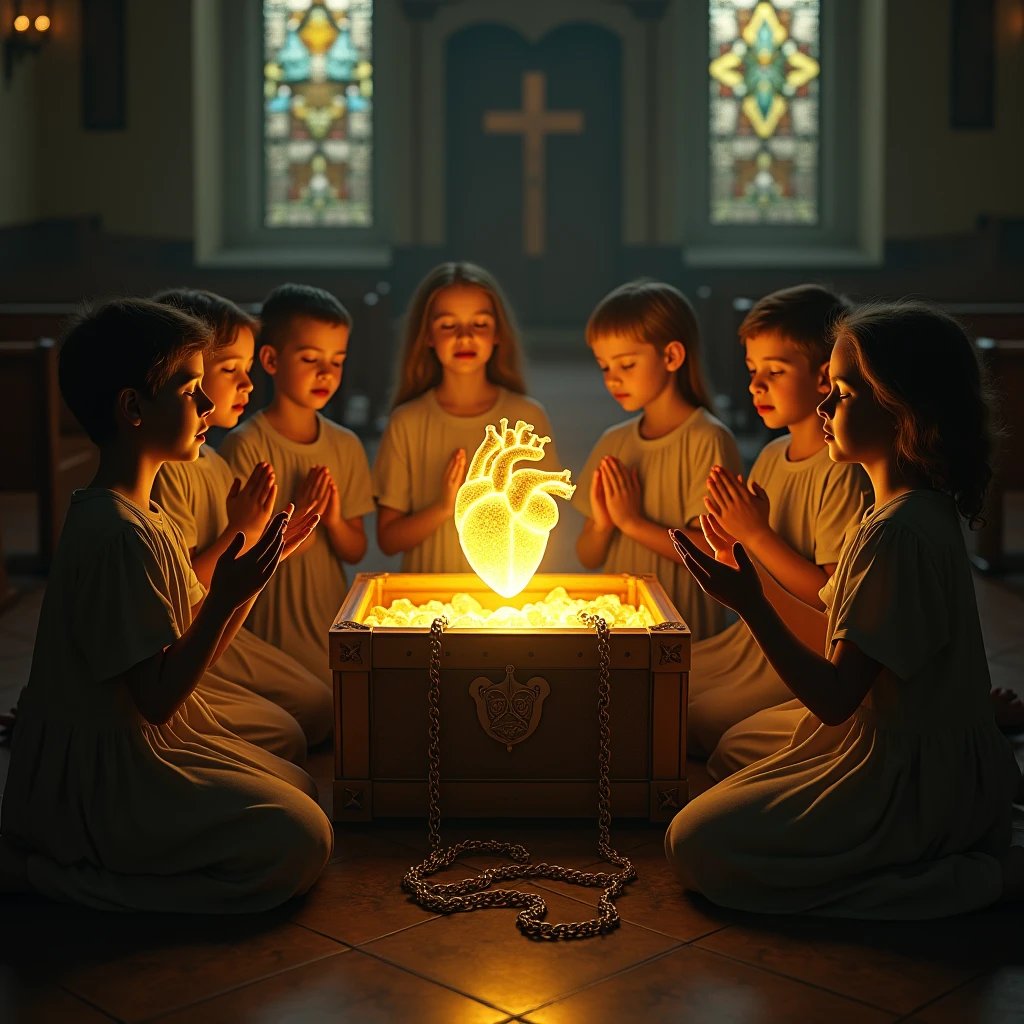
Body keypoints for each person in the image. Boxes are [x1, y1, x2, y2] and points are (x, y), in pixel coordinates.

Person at [665, 300, 1024, 918]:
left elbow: (834, 698)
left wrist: (749, 602)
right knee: (733, 747)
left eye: (844, 393)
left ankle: (972, 878)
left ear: (905, 410)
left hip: (905, 776)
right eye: (828, 389)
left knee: (695, 846)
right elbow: (833, 634)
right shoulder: (900, 511)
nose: (824, 407)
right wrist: (745, 573)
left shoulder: (899, 535)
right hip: (895, 738)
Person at [0, 298, 332, 910]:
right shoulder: (115, 533)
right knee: (300, 841)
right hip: (103, 778)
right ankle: (51, 877)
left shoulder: (143, 515)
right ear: (131, 408)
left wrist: (252, 578)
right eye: (189, 390)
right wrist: (230, 594)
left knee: (302, 785)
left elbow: (184, 646)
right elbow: (156, 700)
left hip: (141, 739)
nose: (208, 406)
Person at [687, 285, 871, 775]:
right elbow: (752, 563)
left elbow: (831, 603)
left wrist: (757, 537)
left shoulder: (841, 471)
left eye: (775, 371)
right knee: (671, 681)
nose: (756, 386)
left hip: (802, 644)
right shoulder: (769, 455)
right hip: (754, 637)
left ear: (823, 379)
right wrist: (727, 544)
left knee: (703, 719)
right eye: (752, 371)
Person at [152, 289, 333, 755]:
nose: (248, 386)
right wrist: (246, 533)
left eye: (247, 370)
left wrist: (271, 538)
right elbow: (182, 590)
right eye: (230, 370)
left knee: (320, 706)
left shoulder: (211, 460)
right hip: (189, 633)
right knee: (297, 728)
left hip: (223, 625)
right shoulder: (171, 468)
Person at [219, 284, 374, 686]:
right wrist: (303, 517)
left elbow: (356, 550)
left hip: (324, 609)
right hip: (269, 618)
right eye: (310, 358)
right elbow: (236, 554)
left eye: (337, 361)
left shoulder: (345, 445)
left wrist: (334, 519)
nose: (326, 373)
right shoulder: (246, 444)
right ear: (270, 359)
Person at [574, 280, 741, 640]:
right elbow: (587, 557)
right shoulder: (614, 441)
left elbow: (716, 553)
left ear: (672, 357)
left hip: (683, 633)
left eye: (626, 364)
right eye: (604, 367)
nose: (613, 379)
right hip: (618, 630)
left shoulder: (707, 439)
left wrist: (633, 523)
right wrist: (604, 525)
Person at [372, 262, 561, 572]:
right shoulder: (406, 423)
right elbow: (389, 540)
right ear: (428, 335)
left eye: (480, 324)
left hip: (503, 604)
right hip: (428, 599)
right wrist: (446, 507)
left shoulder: (527, 417)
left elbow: (543, 523)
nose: (464, 336)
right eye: (448, 325)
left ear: (498, 333)